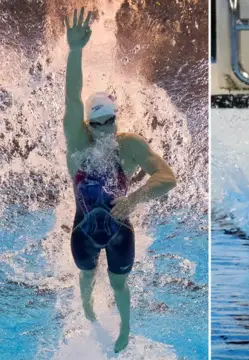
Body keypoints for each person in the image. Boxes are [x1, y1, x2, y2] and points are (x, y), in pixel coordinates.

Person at [64, 8, 177, 353]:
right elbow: (71, 98)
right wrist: (76, 50)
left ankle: (125, 327)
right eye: (97, 125)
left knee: (119, 285)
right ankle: (86, 308)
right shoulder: (78, 141)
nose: (104, 131)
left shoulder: (130, 145)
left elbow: (168, 177)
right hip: (82, 228)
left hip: (120, 231)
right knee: (85, 276)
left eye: (109, 122)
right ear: (87, 124)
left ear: (116, 118)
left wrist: (135, 199)